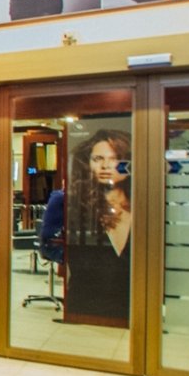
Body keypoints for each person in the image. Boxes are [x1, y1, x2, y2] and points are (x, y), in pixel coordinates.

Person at [64, 128, 132, 325]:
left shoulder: (146, 207)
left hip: (131, 307)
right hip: (86, 307)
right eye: (98, 159)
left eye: (115, 159)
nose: (105, 166)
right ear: (88, 163)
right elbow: (51, 242)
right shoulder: (75, 205)